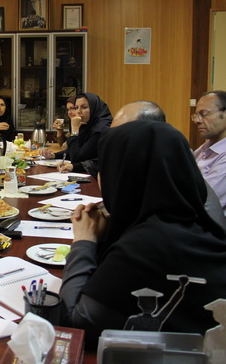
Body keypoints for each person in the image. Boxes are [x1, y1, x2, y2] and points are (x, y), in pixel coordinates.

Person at [59, 121, 226, 346]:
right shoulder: (198, 222)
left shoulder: (144, 246)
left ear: (125, 173)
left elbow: (75, 323)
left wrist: (84, 241)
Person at [56, 100, 164, 175]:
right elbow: (98, 162)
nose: (77, 112)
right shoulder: (121, 149)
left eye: (121, 132)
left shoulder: (160, 164)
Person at [42, 92, 112, 167]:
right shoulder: (88, 124)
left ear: (94, 107)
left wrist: (75, 130)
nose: (78, 111)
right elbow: (73, 151)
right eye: (76, 107)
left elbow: (77, 158)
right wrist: (53, 155)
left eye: (84, 107)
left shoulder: (101, 129)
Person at [192, 91, 226, 216]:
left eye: (204, 114)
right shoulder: (202, 150)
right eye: (195, 115)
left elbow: (203, 201)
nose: (197, 121)